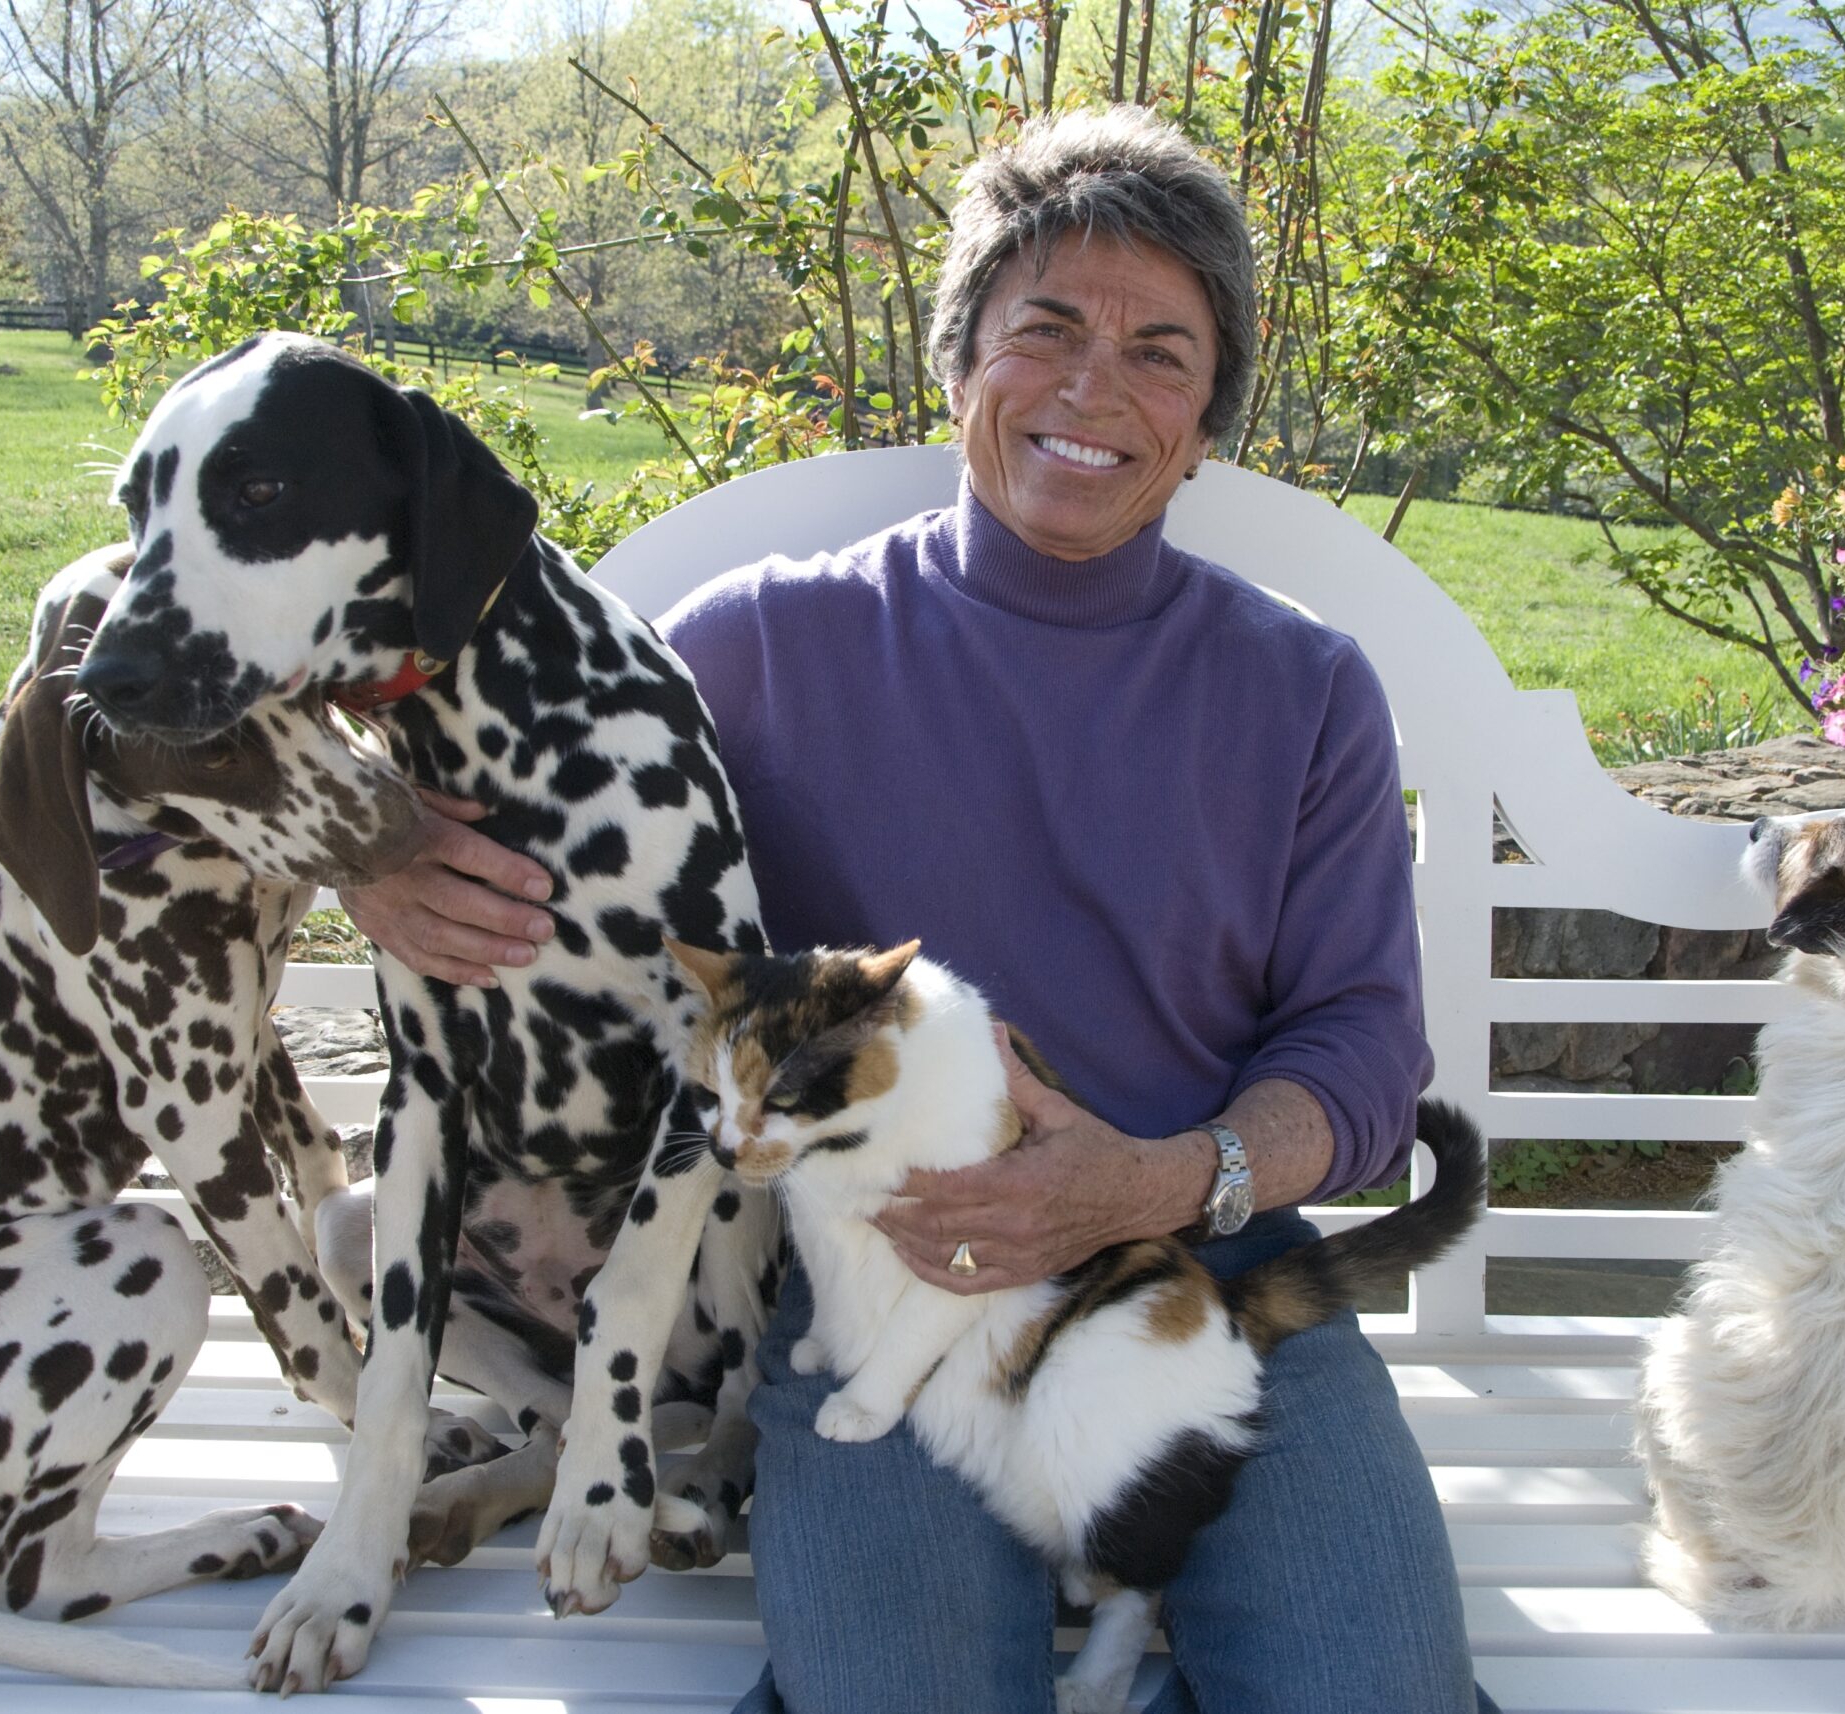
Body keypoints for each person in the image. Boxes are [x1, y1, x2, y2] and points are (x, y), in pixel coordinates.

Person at [345, 106, 1489, 1714]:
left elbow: (1365, 1056)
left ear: (1206, 418)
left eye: (1161, 352)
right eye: (1046, 329)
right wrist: (376, 850)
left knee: (1372, 1696)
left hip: (1208, 1280)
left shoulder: (1299, 690)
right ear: (961, 363)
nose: (1096, 389)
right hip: (877, 1284)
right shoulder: (756, 645)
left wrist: (1164, 1175)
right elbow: (512, 774)